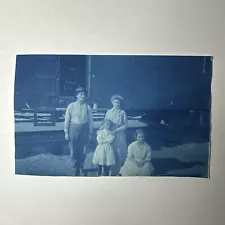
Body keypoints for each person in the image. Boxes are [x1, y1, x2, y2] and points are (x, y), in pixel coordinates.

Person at [64, 87, 93, 176]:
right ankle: (75, 166)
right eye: (81, 94)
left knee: (83, 149)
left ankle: (81, 166)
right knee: (73, 149)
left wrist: (90, 133)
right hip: (73, 128)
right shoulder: (71, 106)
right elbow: (67, 119)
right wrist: (66, 132)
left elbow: (91, 121)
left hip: (84, 129)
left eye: (84, 94)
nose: (83, 96)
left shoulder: (87, 107)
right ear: (76, 95)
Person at [105, 95, 128, 176]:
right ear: (112, 103)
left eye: (118, 103)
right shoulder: (108, 112)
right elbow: (105, 123)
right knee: (110, 152)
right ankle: (110, 171)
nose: (117, 104)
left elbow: (125, 125)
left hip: (119, 135)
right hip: (110, 134)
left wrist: (116, 130)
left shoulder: (122, 112)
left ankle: (120, 171)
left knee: (119, 153)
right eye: (115, 102)